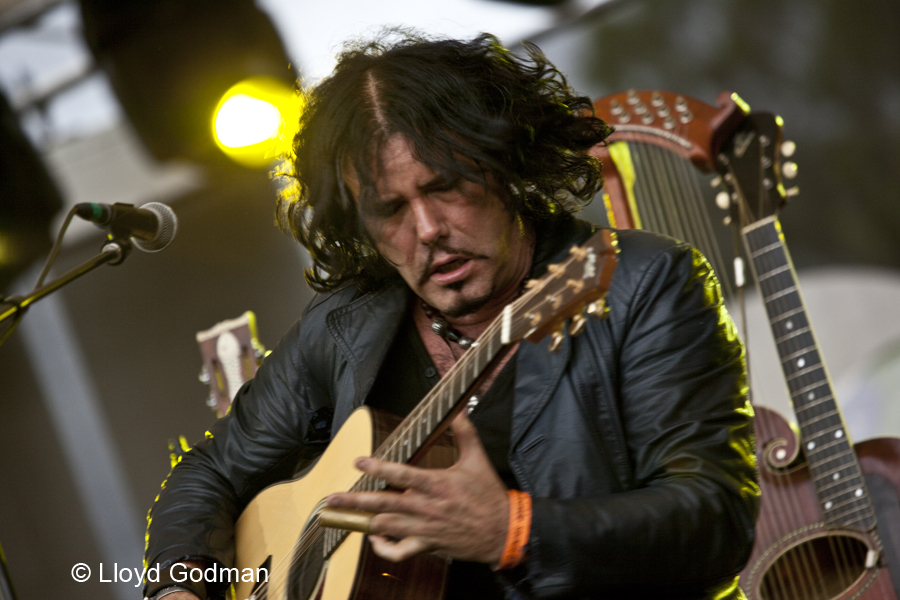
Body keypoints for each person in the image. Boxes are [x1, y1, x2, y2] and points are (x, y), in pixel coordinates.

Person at [143, 32, 758, 600]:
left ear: (505, 164)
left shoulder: (643, 285)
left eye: (445, 187)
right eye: (391, 210)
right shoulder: (344, 326)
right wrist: (179, 586)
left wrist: (514, 531)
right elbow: (210, 470)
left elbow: (715, 517)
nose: (430, 230)